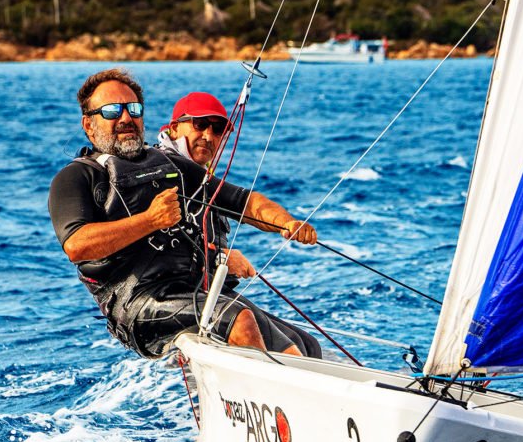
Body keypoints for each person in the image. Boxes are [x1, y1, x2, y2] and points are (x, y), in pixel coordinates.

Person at [48, 68, 321, 360]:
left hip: (195, 291)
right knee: (237, 320)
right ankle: (268, 398)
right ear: (89, 125)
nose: (126, 118)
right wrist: (150, 221)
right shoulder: (76, 177)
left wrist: (286, 223)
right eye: (112, 111)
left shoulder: (170, 163)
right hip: (138, 301)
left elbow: (242, 201)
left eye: (134, 109)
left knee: (303, 346)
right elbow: (77, 245)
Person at [156, 91, 321, 358]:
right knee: (292, 353)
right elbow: (156, 241)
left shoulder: (200, 177)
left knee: (309, 345)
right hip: (173, 295)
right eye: (200, 125)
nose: (209, 136)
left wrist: (289, 224)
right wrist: (218, 257)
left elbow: (246, 203)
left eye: (218, 129)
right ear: (174, 128)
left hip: (211, 290)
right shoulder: (161, 168)